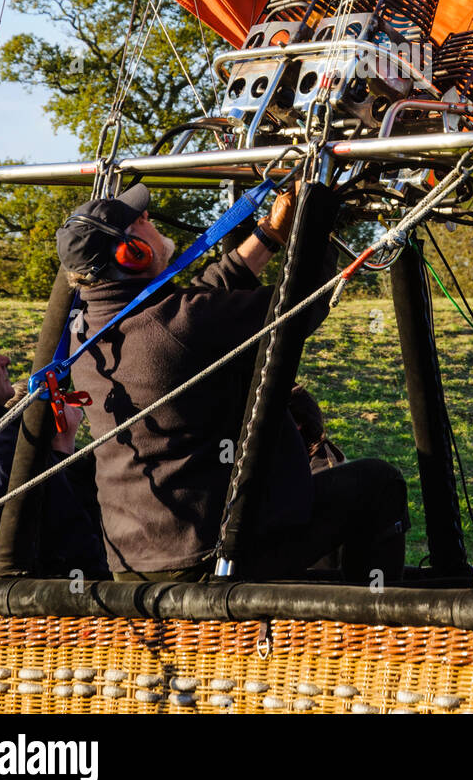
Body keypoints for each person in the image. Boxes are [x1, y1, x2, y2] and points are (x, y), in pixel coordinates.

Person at [55, 184, 408, 583]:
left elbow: (199, 301)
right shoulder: (181, 324)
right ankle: (371, 624)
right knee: (379, 484)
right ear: (133, 252)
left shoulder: (85, 334)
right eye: (141, 220)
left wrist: (270, 234)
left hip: (137, 564)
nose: (149, 220)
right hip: (214, 560)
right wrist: (319, 223)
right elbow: (299, 308)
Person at [0, 324, 105, 577]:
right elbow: (75, 546)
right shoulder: (8, 449)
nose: (5, 359)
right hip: (24, 607)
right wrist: (62, 453)